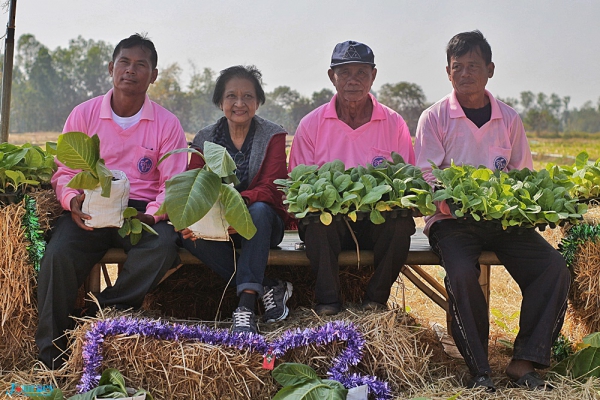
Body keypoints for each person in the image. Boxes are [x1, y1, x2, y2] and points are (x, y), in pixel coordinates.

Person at [414, 30, 570, 391]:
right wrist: (450, 201)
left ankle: (524, 360)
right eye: (458, 67)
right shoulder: (434, 117)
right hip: (451, 222)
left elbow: (522, 173)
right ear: (448, 72)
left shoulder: (509, 119)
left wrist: (523, 206)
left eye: (473, 65)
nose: (465, 72)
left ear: (490, 69)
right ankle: (480, 369)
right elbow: (425, 173)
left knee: (552, 268)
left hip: (502, 220)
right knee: (462, 275)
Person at [36, 34, 188, 369]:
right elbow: (65, 171)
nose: (131, 71)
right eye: (124, 62)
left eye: (141, 65)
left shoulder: (167, 123)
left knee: (162, 249)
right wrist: (72, 200)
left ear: (154, 75)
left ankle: (96, 315)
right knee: (58, 254)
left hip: (138, 213)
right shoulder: (84, 114)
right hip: (90, 206)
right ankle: (49, 358)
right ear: (111, 68)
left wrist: (152, 216)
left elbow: (173, 185)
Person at [288, 40, 416, 316]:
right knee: (315, 221)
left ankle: (375, 301)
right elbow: (297, 186)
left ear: (374, 75)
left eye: (361, 72)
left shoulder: (394, 123)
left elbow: (407, 178)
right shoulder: (311, 124)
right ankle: (328, 303)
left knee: (401, 223)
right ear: (331, 77)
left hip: (375, 221)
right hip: (330, 223)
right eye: (344, 73)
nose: (353, 80)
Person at [181, 65, 293, 334]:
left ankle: (245, 306)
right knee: (182, 233)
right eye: (231, 96)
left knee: (260, 210)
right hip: (219, 228)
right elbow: (192, 186)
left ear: (258, 101)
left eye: (248, 96)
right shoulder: (205, 139)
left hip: (263, 227)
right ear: (220, 102)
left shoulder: (273, 135)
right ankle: (268, 285)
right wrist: (199, 220)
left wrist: (234, 209)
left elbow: (273, 187)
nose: (239, 103)